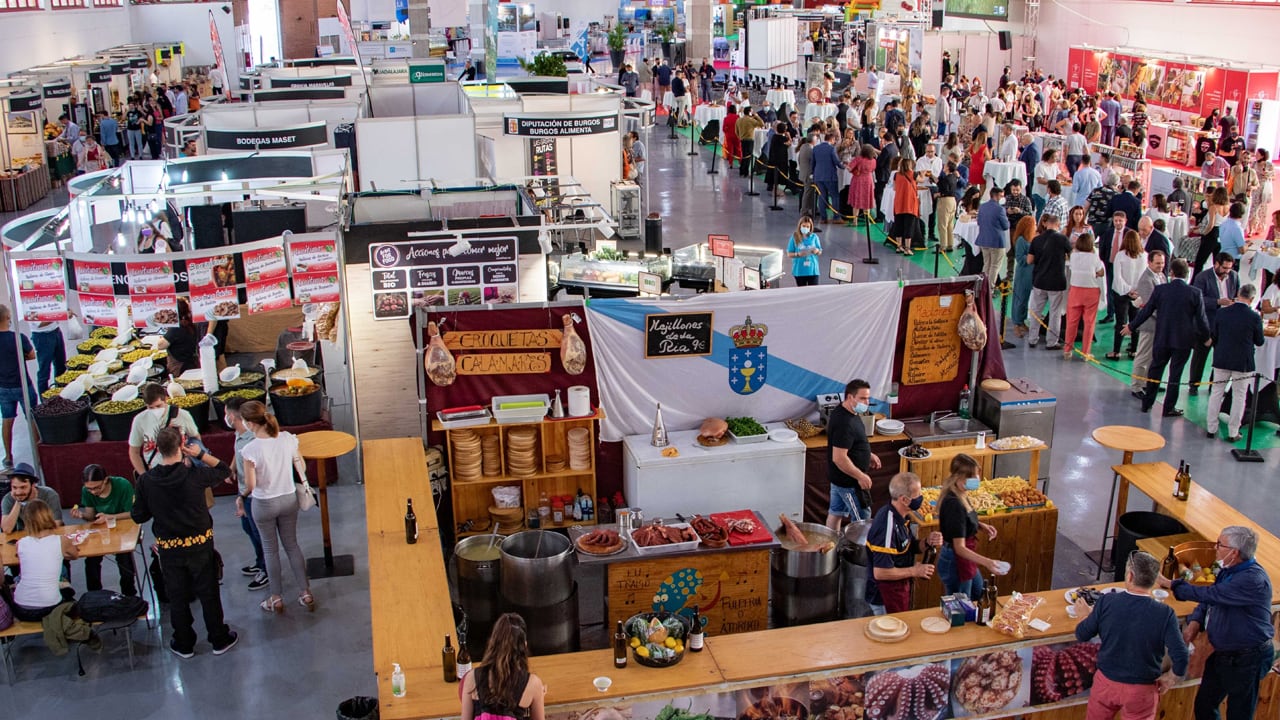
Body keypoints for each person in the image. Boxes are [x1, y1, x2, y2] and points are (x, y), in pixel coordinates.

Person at [132, 427, 237, 658]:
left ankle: (184, 642)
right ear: (182, 445)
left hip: (170, 549)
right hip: (200, 545)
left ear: (156, 449)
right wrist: (200, 455)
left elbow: (138, 516)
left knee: (177, 596)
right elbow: (222, 470)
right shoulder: (195, 476)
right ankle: (218, 639)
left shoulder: (147, 481)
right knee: (209, 593)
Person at [1159, 526, 1275, 720]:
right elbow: (1211, 598)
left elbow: (1211, 594)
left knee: (1239, 714)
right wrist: (1195, 621)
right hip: (1224, 655)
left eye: (1220, 544)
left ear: (1234, 552)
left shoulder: (1252, 580)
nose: (1215, 547)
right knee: (1204, 705)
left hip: (1248, 659)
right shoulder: (1229, 570)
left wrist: (1171, 584)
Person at [1073, 551, 1187, 720]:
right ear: (1154, 579)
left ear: (1130, 575)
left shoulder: (1107, 601)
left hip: (1106, 684)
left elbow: (1082, 634)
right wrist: (1170, 678)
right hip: (1142, 690)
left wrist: (1084, 615)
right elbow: (1181, 656)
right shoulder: (1165, 613)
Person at [237, 401, 312, 613]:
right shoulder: (287, 439)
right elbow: (302, 466)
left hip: (264, 503)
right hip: (288, 499)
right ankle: (305, 592)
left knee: (270, 550)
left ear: (250, 423)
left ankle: (276, 597)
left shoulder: (249, 450)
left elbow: (251, 485)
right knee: (292, 545)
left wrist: (241, 496)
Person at [1124, 258, 1210, 416]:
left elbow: (1146, 310)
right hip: (1183, 341)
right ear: (1187, 273)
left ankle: (1147, 403)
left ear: (1171, 273)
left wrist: (1131, 326)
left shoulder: (1161, 290)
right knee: (1175, 374)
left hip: (1162, 338)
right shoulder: (1195, 293)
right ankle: (1168, 407)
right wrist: (1206, 337)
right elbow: (1201, 319)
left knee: (1155, 370)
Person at [866, 472, 941, 615]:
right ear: (904, 500)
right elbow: (880, 572)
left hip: (899, 589)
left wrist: (927, 542)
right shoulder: (886, 526)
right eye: (918, 494)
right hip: (884, 597)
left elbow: (908, 546)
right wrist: (914, 571)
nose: (921, 498)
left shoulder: (902, 517)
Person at [936, 454, 1003, 599]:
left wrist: (979, 525)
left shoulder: (961, 493)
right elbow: (959, 548)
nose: (977, 479)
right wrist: (988, 562)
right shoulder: (954, 503)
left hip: (964, 559)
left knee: (979, 595)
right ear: (959, 478)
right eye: (973, 476)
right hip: (955, 562)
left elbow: (960, 522)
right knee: (961, 608)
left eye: (977, 474)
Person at [1204, 284, 1265, 442]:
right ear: (1252, 299)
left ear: (1238, 294)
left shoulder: (1221, 313)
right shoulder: (1254, 317)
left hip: (1222, 358)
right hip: (1242, 363)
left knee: (1216, 392)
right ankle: (1233, 432)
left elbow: (1214, 335)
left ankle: (1211, 428)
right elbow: (1259, 341)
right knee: (1239, 396)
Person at [460, 612, 547, 720]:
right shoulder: (534, 684)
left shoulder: (471, 678)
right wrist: (538, 694)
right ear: (524, 646)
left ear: (493, 643)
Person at [223, 397, 269, 591]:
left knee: (259, 533)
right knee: (249, 530)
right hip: (243, 491)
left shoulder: (253, 440)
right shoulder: (239, 434)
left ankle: (266, 570)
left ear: (233, 416)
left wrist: (242, 496)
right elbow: (237, 452)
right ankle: (259, 561)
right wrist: (232, 468)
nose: (225, 417)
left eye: (226, 414)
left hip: (252, 495)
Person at [71, 464, 137, 596]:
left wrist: (111, 517)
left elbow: (133, 513)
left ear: (106, 480)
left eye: (97, 488)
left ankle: (129, 594)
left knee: (125, 561)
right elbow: (91, 515)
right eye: (89, 489)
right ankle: (95, 595)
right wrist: (82, 515)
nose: (94, 492)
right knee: (91, 561)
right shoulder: (87, 491)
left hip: (123, 528)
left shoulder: (122, 485)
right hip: (101, 530)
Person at [11, 500, 78, 623]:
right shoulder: (62, 540)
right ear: (49, 516)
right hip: (50, 608)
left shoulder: (20, 543)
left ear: (26, 520)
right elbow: (75, 555)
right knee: (66, 585)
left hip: (20, 608)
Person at [825, 379, 879, 529]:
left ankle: (831, 550)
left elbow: (850, 445)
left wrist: (868, 454)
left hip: (839, 479)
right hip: (849, 483)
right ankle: (858, 551)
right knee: (862, 521)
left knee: (835, 513)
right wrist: (860, 476)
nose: (866, 402)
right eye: (862, 398)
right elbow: (839, 457)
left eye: (868, 398)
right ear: (850, 397)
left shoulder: (846, 412)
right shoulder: (845, 423)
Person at [1188, 254, 1241, 396]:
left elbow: (1236, 294)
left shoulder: (1234, 276)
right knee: (1200, 357)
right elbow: (1197, 300)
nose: (1227, 271)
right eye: (1224, 268)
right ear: (1216, 264)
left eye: (1229, 268)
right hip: (1206, 323)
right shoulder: (1202, 277)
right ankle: (1194, 385)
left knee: (1221, 357)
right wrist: (1217, 302)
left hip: (1225, 324)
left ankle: (1215, 385)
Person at [1027, 214, 1071, 350]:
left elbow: (1029, 260)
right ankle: (1051, 342)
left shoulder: (1036, 240)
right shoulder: (1063, 239)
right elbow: (1071, 255)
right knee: (1055, 313)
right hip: (1056, 282)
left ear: (1046, 224)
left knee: (1036, 311)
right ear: (1058, 225)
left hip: (1040, 280)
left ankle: (1032, 339)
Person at [0, 305, 37, 468]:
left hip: (3, 387)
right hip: (22, 384)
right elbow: (31, 355)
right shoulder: (18, 337)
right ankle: (38, 450)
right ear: (8, 318)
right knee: (32, 418)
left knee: (7, 420)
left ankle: (8, 456)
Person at [1063, 233, 1105, 359]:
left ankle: (1067, 350)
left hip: (1075, 291)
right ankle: (1085, 352)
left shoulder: (1074, 256)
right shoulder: (1095, 258)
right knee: (1089, 322)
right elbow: (1101, 272)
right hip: (1091, 292)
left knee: (1071, 322)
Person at [1108, 230, 1146, 361]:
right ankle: (1134, 351)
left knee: (1121, 322)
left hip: (1121, 293)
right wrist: (1136, 291)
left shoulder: (1120, 255)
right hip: (1137, 293)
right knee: (1135, 321)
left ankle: (1116, 351)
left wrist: (1128, 289)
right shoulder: (1144, 256)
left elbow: (1117, 277)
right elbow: (1144, 277)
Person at [1, 464, 63, 533]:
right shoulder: (8, 499)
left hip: (47, 536)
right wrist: (18, 502)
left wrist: (35, 503)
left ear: (33, 485)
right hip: (23, 537)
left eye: (23, 487)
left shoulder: (49, 494)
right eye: (14, 487)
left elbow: (56, 524)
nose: (18, 492)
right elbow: (6, 529)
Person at [155, 297, 199, 375]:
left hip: (180, 366)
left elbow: (161, 345)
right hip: (191, 361)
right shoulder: (189, 323)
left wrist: (162, 338)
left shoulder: (176, 328)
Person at [976, 186, 1010, 288]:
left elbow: (979, 222)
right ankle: (989, 288)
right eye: (1001, 196)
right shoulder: (1000, 209)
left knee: (986, 264)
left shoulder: (982, 206)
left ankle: (982, 287)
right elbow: (1005, 226)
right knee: (994, 266)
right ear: (997, 196)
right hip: (996, 242)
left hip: (983, 240)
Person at [1010, 215, 1038, 338]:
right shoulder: (1021, 240)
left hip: (1030, 273)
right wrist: (1031, 258)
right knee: (1019, 298)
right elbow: (1020, 258)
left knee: (1025, 299)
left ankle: (1021, 321)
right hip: (1023, 273)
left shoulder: (1031, 239)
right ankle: (1016, 323)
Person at [1194, 187, 1230, 275]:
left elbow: (1211, 225)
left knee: (1200, 261)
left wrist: (1203, 234)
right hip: (1221, 234)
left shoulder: (1213, 207)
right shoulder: (1228, 207)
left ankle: (1195, 281)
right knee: (1217, 262)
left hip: (1212, 234)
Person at [890, 157, 921, 255]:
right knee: (909, 226)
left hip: (899, 203)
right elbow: (921, 180)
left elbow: (895, 188)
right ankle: (908, 248)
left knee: (898, 225)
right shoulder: (914, 174)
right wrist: (923, 174)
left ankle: (899, 246)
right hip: (910, 204)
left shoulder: (896, 175)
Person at [811, 131, 842, 223]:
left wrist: (813, 173)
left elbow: (813, 163)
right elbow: (836, 162)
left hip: (818, 176)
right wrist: (844, 166)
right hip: (830, 176)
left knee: (822, 196)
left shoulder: (815, 148)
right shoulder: (831, 149)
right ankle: (836, 217)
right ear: (832, 139)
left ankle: (823, 218)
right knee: (834, 196)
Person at [29, 318, 67, 394]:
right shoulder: (31, 306)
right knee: (44, 370)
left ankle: (61, 392)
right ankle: (44, 399)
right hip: (42, 336)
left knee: (61, 365)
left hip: (56, 330)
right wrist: (60, 315)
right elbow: (39, 323)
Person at [786, 216, 822, 287]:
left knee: (814, 292)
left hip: (813, 271)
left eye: (808, 226)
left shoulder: (814, 237)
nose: (806, 228)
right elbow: (789, 254)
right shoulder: (795, 237)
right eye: (804, 226)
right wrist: (798, 254)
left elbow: (820, 251)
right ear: (800, 226)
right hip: (799, 271)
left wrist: (817, 251)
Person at [934, 161, 960, 253]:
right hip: (953, 201)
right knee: (950, 223)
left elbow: (944, 189)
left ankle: (943, 246)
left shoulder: (946, 179)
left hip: (945, 201)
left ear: (948, 168)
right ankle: (950, 244)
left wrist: (938, 194)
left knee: (942, 224)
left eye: (945, 166)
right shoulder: (954, 177)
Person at [1248, 149, 1274, 236]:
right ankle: (1251, 229)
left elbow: (1274, 176)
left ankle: (1260, 227)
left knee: (1262, 209)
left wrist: (1267, 174)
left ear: (1262, 156)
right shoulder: (1254, 164)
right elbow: (1250, 174)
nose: (1255, 155)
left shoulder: (1269, 164)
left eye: (1257, 154)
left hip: (1264, 188)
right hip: (1255, 188)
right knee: (1253, 208)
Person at [736, 107, 764, 178]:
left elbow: (736, 131)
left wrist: (740, 136)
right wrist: (757, 116)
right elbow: (762, 124)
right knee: (748, 156)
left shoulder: (739, 120)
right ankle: (745, 172)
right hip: (749, 140)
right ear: (749, 112)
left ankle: (741, 170)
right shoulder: (751, 121)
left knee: (744, 155)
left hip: (742, 139)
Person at [967, 128, 989, 193]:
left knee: (974, 185)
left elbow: (966, 151)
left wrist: (972, 157)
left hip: (973, 166)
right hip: (980, 167)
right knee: (983, 185)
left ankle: (975, 199)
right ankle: (979, 198)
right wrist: (991, 149)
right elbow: (989, 157)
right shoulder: (984, 147)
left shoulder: (973, 145)